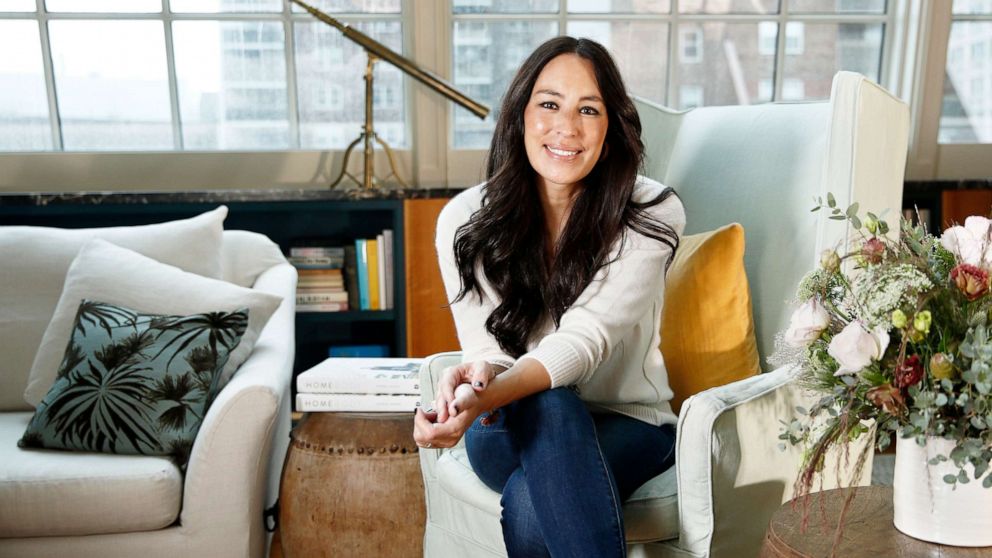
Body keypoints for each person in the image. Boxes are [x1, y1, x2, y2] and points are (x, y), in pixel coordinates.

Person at [412, 35, 685, 558]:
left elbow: (585, 342)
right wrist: (478, 379)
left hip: (630, 421)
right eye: (549, 104)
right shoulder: (466, 222)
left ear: (611, 127)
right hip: (503, 424)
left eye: (589, 109)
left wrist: (489, 392)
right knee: (550, 407)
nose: (567, 127)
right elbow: (486, 347)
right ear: (520, 115)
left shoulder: (651, 213)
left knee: (534, 502)